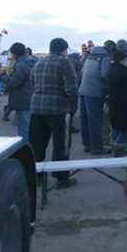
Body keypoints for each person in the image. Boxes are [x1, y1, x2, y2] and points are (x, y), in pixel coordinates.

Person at [30, 38, 78, 189]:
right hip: (57, 109)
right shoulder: (64, 62)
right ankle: (61, 177)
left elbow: (32, 81)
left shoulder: (39, 62)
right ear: (64, 49)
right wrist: (71, 105)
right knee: (60, 145)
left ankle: (35, 177)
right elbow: (71, 87)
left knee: (37, 144)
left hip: (37, 108)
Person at [78, 43, 111, 155]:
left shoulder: (89, 56)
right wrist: (108, 92)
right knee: (95, 121)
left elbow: (81, 72)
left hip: (83, 90)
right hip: (95, 93)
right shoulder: (105, 58)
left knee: (85, 120)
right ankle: (97, 148)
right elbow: (104, 75)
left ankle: (87, 145)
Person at [0, 42, 35, 141]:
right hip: (30, 97)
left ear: (15, 53)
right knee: (28, 126)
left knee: (24, 129)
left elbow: (14, 83)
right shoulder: (32, 61)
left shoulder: (21, 65)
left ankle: (27, 151)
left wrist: (2, 75)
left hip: (23, 99)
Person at [106, 49, 127, 157]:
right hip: (124, 103)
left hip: (114, 102)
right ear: (121, 60)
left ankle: (122, 146)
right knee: (123, 127)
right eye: (126, 59)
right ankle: (119, 149)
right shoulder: (124, 72)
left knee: (115, 125)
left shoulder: (111, 69)